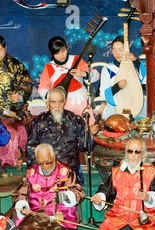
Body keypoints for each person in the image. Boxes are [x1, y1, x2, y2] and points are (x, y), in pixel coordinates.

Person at [12, 143, 85, 230]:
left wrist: (64, 197)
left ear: (54, 157)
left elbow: (79, 192)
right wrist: (23, 205)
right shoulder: (31, 173)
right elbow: (21, 193)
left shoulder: (65, 171)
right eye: (41, 163)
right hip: (34, 217)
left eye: (48, 162)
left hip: (58, 216)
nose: (45, 166)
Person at [26, 87, 88, 184]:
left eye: (60, 102)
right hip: (46, 171)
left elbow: (85, 147)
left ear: (64, 102)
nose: (57, 106)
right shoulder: (39, 121)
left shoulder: (75, 120)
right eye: (53, 102)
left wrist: (90, 134)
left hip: (70, 170)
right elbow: (31, 149)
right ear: (47, 104)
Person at [37, 36, 99, 125]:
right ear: (52, 54)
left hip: (80, 103)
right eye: (57, 53)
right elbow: (42, 88)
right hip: (61, 105)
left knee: (85, 129)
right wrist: (51, 98)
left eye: (63, 51)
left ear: (67, 48)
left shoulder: (76, 60)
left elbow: (96, 75)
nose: (61, 56)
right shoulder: (49, 67)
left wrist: (84, 74)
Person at [0, 35, 33, 174]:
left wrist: (19, 96)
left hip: (11, 112)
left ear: (5, 48)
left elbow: (27, 84)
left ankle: (8, 165)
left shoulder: (15, 65)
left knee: (10, 134)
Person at [99, 35, 147, 121]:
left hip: (137, 105)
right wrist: (117, 87)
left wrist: (135, 61)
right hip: (116, 109)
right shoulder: (108, 69)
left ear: (127, 49)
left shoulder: (135, 65)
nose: (117, 53)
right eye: (114, 50)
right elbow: (103, 94)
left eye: (120, 50)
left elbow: (146, 80)